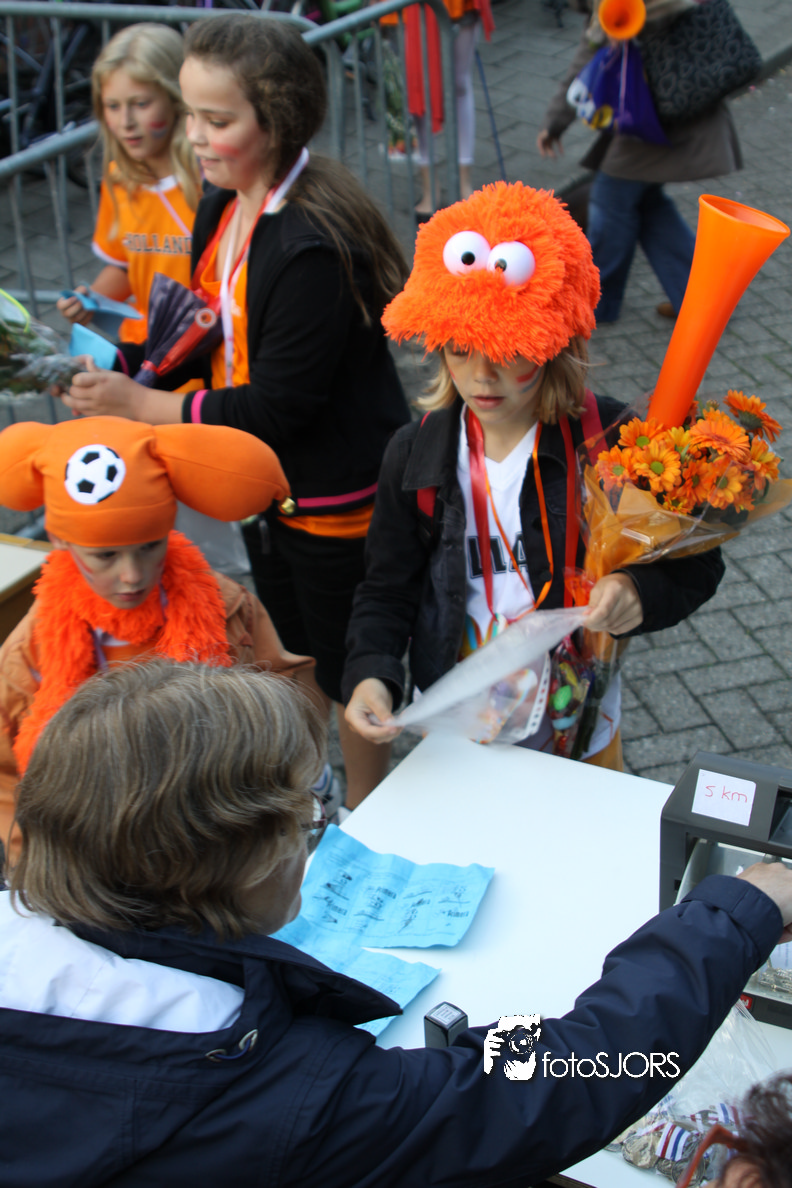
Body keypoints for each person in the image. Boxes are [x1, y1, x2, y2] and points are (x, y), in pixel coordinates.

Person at [1, 656, 791, 1186]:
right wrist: (734, 914)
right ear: (236, 866)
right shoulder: (278, 1098)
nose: (318, 834)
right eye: (307, 816)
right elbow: (564, 1083)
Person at [58, 14, 411, 809]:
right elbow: (207, 328)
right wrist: (129, 366)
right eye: (190, 113)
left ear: (276, 122)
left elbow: (278, 406)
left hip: (331, 500)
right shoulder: (223, 202)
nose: (194, 136)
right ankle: (309, 792)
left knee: (349, 664)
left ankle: (366, 811)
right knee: (290, 651)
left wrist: (144, 403)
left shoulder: (312, 244)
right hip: (261, 485)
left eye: (217, 120)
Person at [342, 182, 724, 768]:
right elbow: (387, 588)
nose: (482, 376)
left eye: (508, 350)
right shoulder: (415, 456)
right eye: (460, 348)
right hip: (460, 716)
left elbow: (697, 562)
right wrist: (373, 671)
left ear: (552, 345)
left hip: (577, 719)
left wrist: (638, 591)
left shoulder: (611, 442)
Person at [0, 416, 311, 864]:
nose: (132, 575)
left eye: (149, 546)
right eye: (105, 556)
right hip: (95, 850)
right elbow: (9, 775)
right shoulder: (31, 649)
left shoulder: (228, 609)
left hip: (216, 832)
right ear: (60, 540)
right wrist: (32, 861)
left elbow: (284, 697)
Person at [536, 0, 743, 323]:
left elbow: (589, 54)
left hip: (654, 117)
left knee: (611, 200)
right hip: (669, 108)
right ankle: (701, 298)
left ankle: (595, 304)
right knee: (646, 203)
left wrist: (555, 121)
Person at [56, 24, 200, 344]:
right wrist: (90, 301)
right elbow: (125, 266)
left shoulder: (214, 178)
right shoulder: (119, 177)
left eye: (141, 104)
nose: (126, 122)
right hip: (149, 348)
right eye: (113, 106)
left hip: (207, 353)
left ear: (176, 98)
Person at [401, 0, 495, 217]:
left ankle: (464, 182)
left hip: (459, 6)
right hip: (409, 10)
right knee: (418, 90)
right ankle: (430, 188)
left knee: (459, 85)